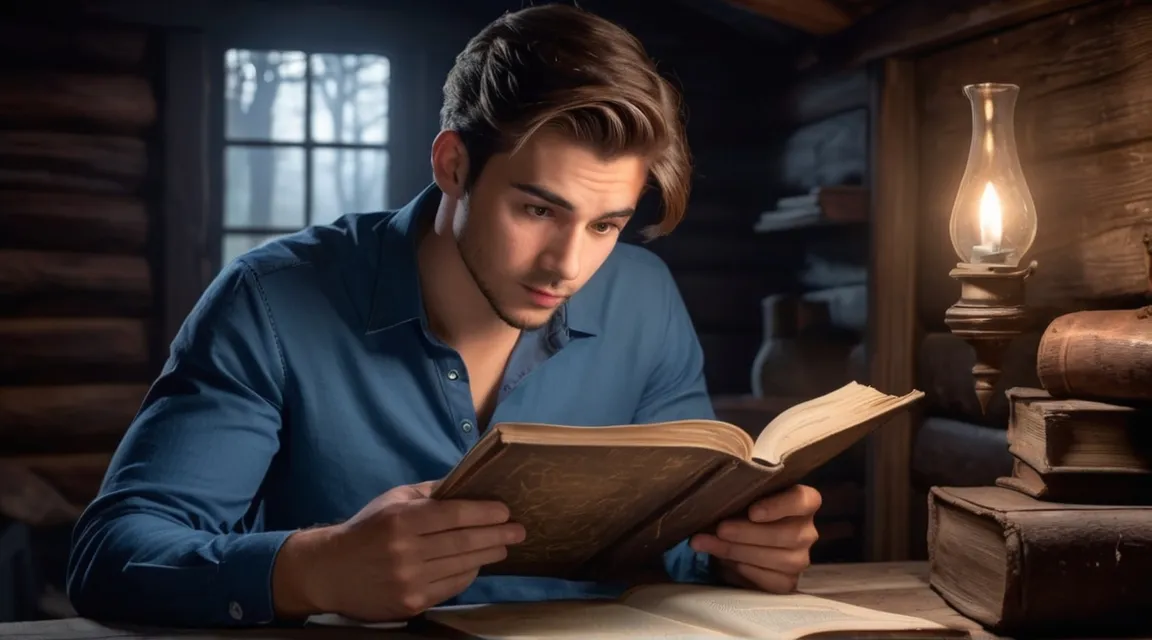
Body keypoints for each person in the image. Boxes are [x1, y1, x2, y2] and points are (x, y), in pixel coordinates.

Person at [66, 3, 822, 628]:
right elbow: (110, 556)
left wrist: (741, 550)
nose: (568, 265)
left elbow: (675, 541)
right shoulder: (270, 299)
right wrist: (312, 569)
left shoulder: (645, 298)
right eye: (537, 209)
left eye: (605, 225)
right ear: (453, 164)